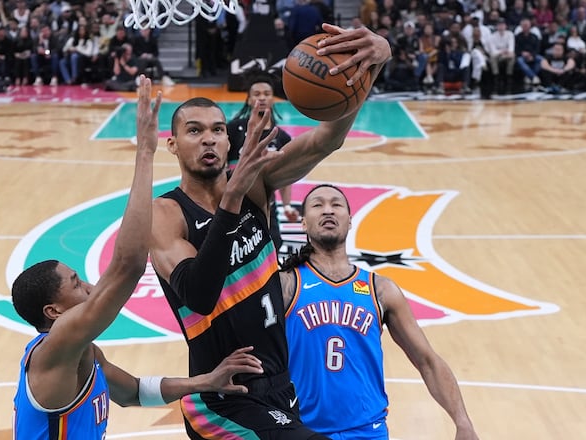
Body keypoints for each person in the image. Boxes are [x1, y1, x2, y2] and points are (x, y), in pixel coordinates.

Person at [148, 23, 392, 440]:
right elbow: (200, 296)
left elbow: (325, 140)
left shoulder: (257, 182)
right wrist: (231, 201)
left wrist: (372, 66)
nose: (209, 139)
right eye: (194, 131)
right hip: (222, 397)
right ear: (172, 145)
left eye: (218, 130)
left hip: (283, 386)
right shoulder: (166, 214)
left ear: (229, 141)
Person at [11, 77, 265, 439]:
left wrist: (205, 381)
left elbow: (132, 392)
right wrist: (145, 153)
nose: (87, 284)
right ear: (53, 312)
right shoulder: (58, 346)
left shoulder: (84, 353)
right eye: (75, 282)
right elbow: (127, 268)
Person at [279, 184, 479, 440]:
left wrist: (463, 423)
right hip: (303, 430)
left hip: (367, 431)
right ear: (304, 223)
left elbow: (427, 361)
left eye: (336, 204)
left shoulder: (381, 290)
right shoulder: (286, 284)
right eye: (318, 205)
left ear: (350, 221)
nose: (328, 210)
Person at [226, 75, 299, 254]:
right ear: (249, 100)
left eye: (267, 93)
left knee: (273, 245)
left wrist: (287, 206)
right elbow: (221, 166)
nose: (262, 97)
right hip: (234, 203)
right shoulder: (234, 129)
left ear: (273, 99)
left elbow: (286, 177)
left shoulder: (281, 137)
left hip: (266, 206)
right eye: (257, 94)